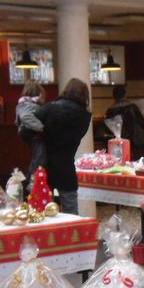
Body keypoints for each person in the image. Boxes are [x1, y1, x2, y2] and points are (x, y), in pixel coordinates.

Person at [36, 78, 92, 215]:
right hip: (67, 165)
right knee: (71, 210)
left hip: (45, 163)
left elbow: (26, 130)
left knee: (43, 209)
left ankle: (46, 236)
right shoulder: (85, 116)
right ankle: (72, 235)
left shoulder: (48, 109)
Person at [16, 81, 46, 187]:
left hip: (27, 133)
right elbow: (25, 117)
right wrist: (41, 127)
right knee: (40, 155)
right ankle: (33, 181)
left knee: (37, 156)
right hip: (33, 134)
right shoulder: (29, 104)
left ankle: (32, 180)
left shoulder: (23, 103)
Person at [104, 84, 144, 150]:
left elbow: (108, 130)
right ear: (125, 94)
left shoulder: (110, 111)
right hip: (135, 143)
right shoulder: (132, 108)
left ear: (113, 96)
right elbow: (143, 125)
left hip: (118, 145)